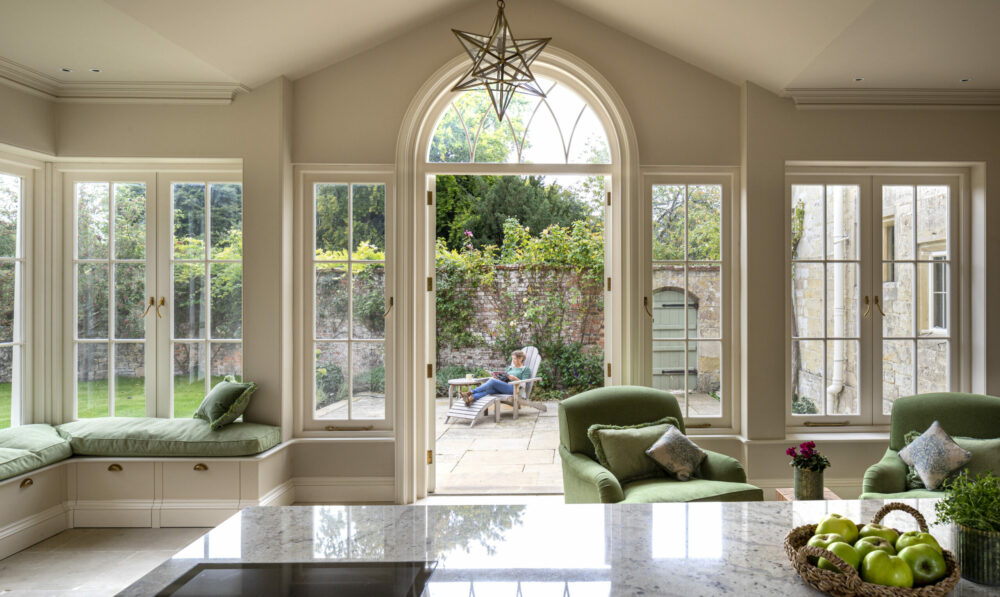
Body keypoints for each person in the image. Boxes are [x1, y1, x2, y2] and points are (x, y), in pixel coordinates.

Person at [462, 350, 531, 406]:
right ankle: (470, 399)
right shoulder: (510, 368)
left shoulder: (525, 369)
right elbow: (505, 379)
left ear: (521, 358)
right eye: (512, 358)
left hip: (515, 389)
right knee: (489, 390)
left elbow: (524, 383)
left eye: (515, 358)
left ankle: (470, 392)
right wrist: (498, 378)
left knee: (492, 381)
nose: (513, 360)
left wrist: (515, 378)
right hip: (504, 387)